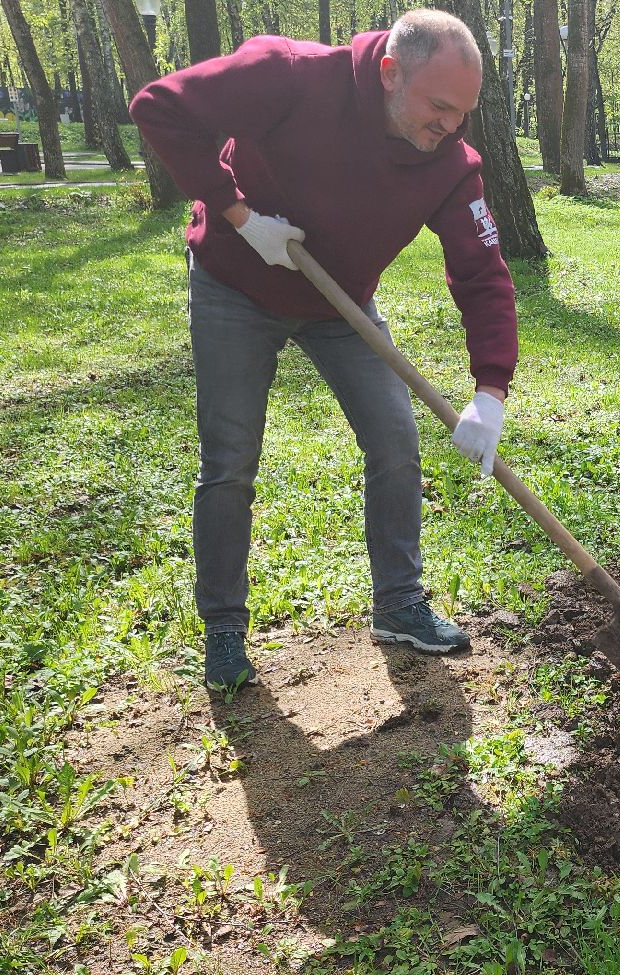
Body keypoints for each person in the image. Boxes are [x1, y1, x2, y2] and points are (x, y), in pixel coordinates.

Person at [130, 10, 519, 690]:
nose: (451, 126)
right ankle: (224, 630)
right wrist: (239, 215)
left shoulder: (451, 166)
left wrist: (490, 390)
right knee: (230, 458)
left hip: (341, 303)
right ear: (390, 73)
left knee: (395, 440)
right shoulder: (290, 75)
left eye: (463, 113)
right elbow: (159, 107)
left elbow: (482, 273)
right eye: (439, 107)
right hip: (235, 283)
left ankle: (398, 603)